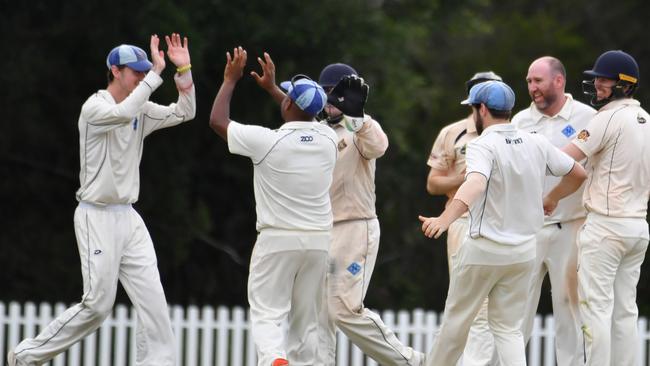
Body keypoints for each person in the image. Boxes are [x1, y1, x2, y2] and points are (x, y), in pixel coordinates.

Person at [7, 34, 196, 366]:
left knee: (154, 301)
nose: (140, 75)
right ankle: (24, 356)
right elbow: (123, 114)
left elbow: (186, 112)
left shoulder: (142, 108)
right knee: (98, 305)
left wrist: (184, 70)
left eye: (143, 70)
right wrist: (155, 75)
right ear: (114, 70)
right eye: (134, 71)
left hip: (129, 217)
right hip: (96, 214)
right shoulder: (94, 108)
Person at [419, 80, 587, 366]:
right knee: (508, 330)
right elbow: (578, 173)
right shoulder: (535, 140)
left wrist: (444, 219)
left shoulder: (481, 144)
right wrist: (553, 198)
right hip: (523, 252)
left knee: (455, 326)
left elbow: (475, 183)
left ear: (481, 109)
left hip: (484, 251)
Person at [208, 46, 338, 366]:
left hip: (278, 239)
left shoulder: (267, 142)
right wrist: (273, 89)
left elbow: (217, 121)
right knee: (305, 319)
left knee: (267, 312)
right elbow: (303, 111)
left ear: (290, 104)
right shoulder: (328, 139)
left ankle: (274, 361)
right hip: (319, 240)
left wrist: (230, 80)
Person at [559, 50, 650, 366]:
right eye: (597, 77)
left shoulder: (606, 118)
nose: (597, 84)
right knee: (625, 310)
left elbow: (563, 158)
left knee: (596, 306)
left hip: (606, 227)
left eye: (604, 79)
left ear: (624, 84)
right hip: (638, 228)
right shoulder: (647, 121)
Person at [511, 56, 596, 366]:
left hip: (571, 227)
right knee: (516, 308)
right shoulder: (520, 122)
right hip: (528, 228)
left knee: (569, 307)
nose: (532, 87)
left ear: (558, 81)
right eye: (529, 82)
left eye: (538, 81)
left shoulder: (587, 117)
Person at [426, 71, 503, 366]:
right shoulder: (453, 133)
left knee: (497, 307)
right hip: (461, 221)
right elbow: (433, 183)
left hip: (501, 222)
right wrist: (466, 177)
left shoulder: (515, 131)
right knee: (464, 302)